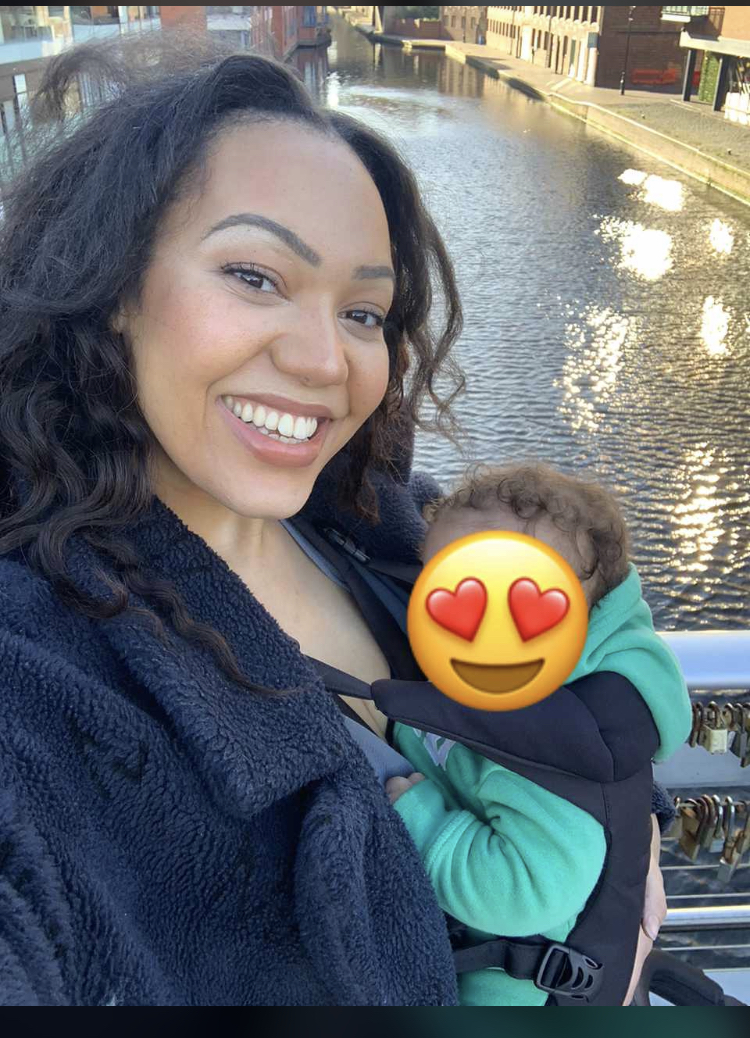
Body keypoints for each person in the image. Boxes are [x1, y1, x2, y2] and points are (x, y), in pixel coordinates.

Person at [0, 36, 669, 1006]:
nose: (325, 362)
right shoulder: (36, 667)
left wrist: (625, 825)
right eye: (256, 276)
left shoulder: (385, 524)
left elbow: (587, 679)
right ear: (112, 287)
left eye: (364, 313)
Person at [385, 463, 691, 1005]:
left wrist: (423, 823)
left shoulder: (546, 747)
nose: (459, 620)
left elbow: (530, 887)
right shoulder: (531, 693)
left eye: (518, 603)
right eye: (438, 583)